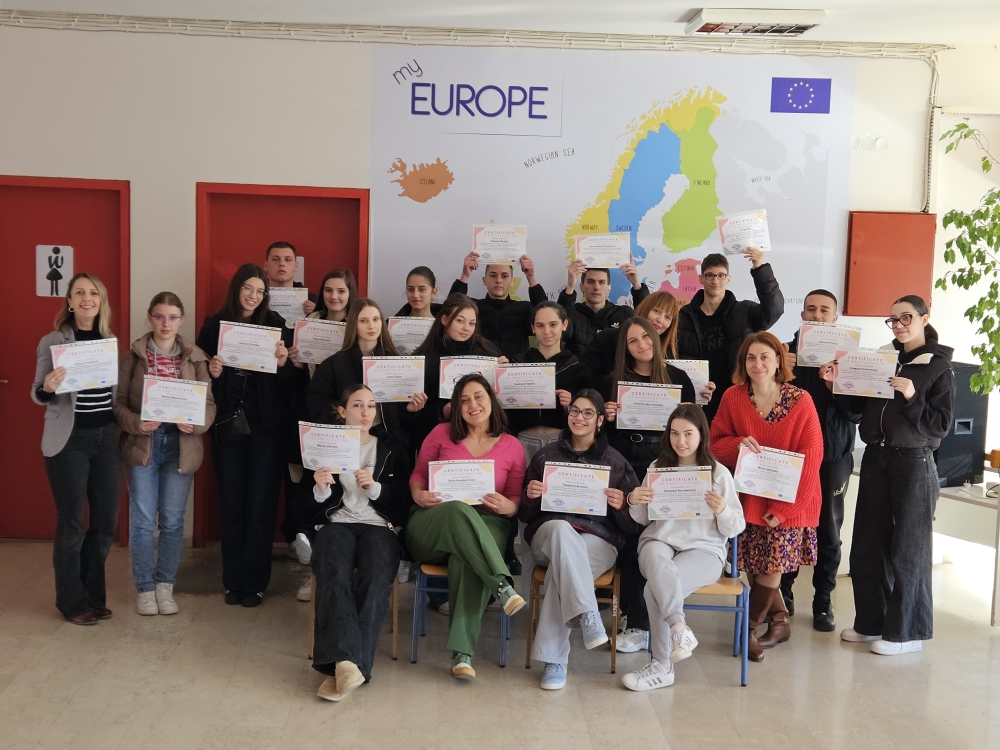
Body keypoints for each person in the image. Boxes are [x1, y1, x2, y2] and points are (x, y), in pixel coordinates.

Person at [824, 295, 955, 656]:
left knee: (908, 548)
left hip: (913, 462)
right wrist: (836, 385)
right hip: (876, 458)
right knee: (867, 544)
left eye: (906, 317)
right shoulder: (881, 359)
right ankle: (870, 623)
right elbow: (857, 411)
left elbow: (941, 426)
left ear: (924, 318)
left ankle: (906, 634)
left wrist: (912, 396)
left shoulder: (938, 367)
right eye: (893, 319)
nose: (898, 325)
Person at [196, 263, 306, 608]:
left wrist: (285, 364)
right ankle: (233, 580)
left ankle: (255, 582)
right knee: (232, 504)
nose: (253, 296)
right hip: (228, 426)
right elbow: (197, 378)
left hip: (266, 430)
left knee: (261, 506)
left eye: (260, 291)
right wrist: (214, 373)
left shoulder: (277, 326)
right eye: (248, 288)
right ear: (236, 289)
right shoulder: (214, 326)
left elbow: (294, 385)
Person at [710, 332, 823, 661]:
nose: (757, 364)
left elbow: (812, 458)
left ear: (778, 361)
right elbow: (715, 443)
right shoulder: (733, 397)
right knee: (753, 565)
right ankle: (780, 620)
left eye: (764, 357)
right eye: (750, 358)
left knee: (772, 565)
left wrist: (786, 510)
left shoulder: (801, 400)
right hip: (748, 498)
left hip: (788, 501)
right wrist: (738, 444)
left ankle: (748, 630)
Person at [405, 373, 527, 679]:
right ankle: (501, 585)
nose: (473, 404)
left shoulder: (512, 446)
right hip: (434, 521)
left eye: (478, 396)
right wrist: (418, 494)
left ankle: (462, 655)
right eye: (464, 400)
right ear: (456, 407)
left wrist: (510, 506)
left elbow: (515, 498)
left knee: (466, 557)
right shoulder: (441, 433)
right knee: (458, 510)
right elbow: (418, 474)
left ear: (491, 400)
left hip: (489, 521)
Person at [519, 389, 641, 690]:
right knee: (562, 530)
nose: (579, 417)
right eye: (574, 410)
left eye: (588, 412)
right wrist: (531, 497)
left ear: (600, 420)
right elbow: (524, 513)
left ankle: (554, 661)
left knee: (563, 572)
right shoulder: (545, 456)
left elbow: (634, 524)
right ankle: (587, 612)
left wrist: (622, 506)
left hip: (598, 542)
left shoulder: (616, 461)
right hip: (549, 536)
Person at [622, 404, 745, 691]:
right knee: (654, 554)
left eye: (688, 434)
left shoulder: (718, 474)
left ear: (702, 435)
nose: (681, 441)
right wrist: (634, 500)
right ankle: (679, 629)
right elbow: (643, 519)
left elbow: (735, 527)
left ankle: (663, 665)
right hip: (660, 542)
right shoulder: (658, 467)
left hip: (704, 550)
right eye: (675, 433)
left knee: (653, 589)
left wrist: (723, 509)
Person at [308, 384, 413, 701]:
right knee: (333, 571)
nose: (366, 412)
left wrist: (376, 489)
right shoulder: (325, 446)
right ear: (342, 411)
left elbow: (405, 499)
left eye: (371, 405)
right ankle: (352, 666)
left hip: (380, 525)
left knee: (376, 575)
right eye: (357, 405)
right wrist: (321, 489)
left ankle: (344, 665)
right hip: (337, 523)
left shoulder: (392, 447)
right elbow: (305, 506)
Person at [114, 292, 217, 615]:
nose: (165, 323)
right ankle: (145, 588)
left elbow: (209, 404)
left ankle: (165, 586)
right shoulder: (132, 357)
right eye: (159, 316)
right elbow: (118, 404)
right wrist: (137, 423)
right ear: (149, 317)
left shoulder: (196, 358)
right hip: (143, 443)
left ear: (181, 320)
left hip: (181, 445)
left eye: (172, 317)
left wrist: (197, 425)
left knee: (173, 521)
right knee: (144, 522)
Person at [601, 316, 698, 653]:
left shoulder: (678, 378)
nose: (641, 344)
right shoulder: (612, 382)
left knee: (656, 541)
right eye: (632, 340)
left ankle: (654, 623)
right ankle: (636, 622)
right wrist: (606, 418)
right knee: (630, 541)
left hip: (664, 466)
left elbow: (694, 430)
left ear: (656, 338)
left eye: (645, 337)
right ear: (624, 348)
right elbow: (600, 436)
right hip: (625, 466)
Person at [31, 273, 121, 625]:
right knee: (73, 523)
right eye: (80, 293)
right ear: (69, 301)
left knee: (105, 522)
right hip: (69, 442)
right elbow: (37, 393)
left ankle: (93, 597)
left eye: (93, 293)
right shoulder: (52, 341)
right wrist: (48, 387)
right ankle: (72, 603)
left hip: (105, 439)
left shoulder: (108, 340)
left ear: (101, 301)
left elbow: (113, 393)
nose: (87, 298)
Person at [778, 290, 861, 631]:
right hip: (791, 457)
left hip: (833, 456)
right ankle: (783, 594)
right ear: (802, 315)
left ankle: (823, 600)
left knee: (828, 528)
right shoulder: (783, 353)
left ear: (835, 317)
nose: (817, 314)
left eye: (824, 310)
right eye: (810, 308)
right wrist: (782, 372)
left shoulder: (849, 359)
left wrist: (833, 385)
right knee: (788, 525)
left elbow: (856, 414)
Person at [288, 268, 358, 562]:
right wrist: (297, 364)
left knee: (345, 481)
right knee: (313, 477)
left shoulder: (358, 326)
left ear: (350, 294)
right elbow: (297, 384)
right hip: (314, 413)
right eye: (328, 290)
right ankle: (305, 537)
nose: (334, 296)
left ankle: (333, 542)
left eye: (341, 291)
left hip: (350, 417)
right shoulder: (308, 325)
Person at [676, 250, 784, 421]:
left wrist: (759, 268)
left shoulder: (744, 311)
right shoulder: (684, 316)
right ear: (701, 278)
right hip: (697, 398)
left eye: (721, 275)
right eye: (710, 275)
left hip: (737, 396)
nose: (715, 280)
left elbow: (774, 310)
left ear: (728, 278)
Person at [307, 298, 428, 433]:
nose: (371, 326)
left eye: (376, 319)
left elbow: (402, 418)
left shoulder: (398, 363)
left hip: (388, 439)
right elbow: (317, 404)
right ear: (353, 324)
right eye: (363, 321)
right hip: (350, 438)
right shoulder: (333, 364)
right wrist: (349, 409)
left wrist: (409, 409)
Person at [584, 291, 715, 408]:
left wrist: (699, 395)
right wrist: (605, 407)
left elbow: (687, 406)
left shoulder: (671, 356)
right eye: (656, 311)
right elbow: (590, 382)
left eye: (668, 317)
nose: (660, 320)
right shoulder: (608, 339)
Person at [409, 293, 503, 451]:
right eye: (460, 321)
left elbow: (499, 403)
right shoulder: (423, 359)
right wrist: (442, 411)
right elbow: (413, 415)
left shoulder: (488, 353)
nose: (466, 328)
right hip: (438, 438)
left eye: (472, 323)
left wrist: (503, 373)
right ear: (444, 320)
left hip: (481, 439)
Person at [507, 301, 593, 437]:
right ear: (533, 328)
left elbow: (590, 412)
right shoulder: (516, 364)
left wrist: (572, 406)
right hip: (522, 438)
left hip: (562, 439)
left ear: (564, 325)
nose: (547, 331)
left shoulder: (578, 368)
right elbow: (506, 411)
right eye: (540, 325)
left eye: (553, 324)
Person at [448, 252, 547, 358]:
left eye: (504, 276)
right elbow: (450, 310)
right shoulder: (473, 308)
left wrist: (530, 277)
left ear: (512, 281)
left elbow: (547, 315)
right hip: (478, 366)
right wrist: (465, 275)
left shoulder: (524, 309)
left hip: (515, 366)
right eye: (493, 275)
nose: (498, 280)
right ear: (484, 280)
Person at [557, 260, 650, 356]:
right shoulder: (573, 313)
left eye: (601, 282)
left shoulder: (623, 313)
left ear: (609, 288)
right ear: (582, 287)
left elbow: (646, 322)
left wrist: (637, 285)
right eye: (590, 282)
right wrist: (570, 286)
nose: (596, 287)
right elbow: (558, 325)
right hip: (579, 366)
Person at [264, 241, 317, 317]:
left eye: (288, 259)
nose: (282, 264)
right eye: (275, 259)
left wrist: (317, 315)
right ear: (266, 265)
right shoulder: (254, 297)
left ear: (296, 266)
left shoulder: (314, 301)